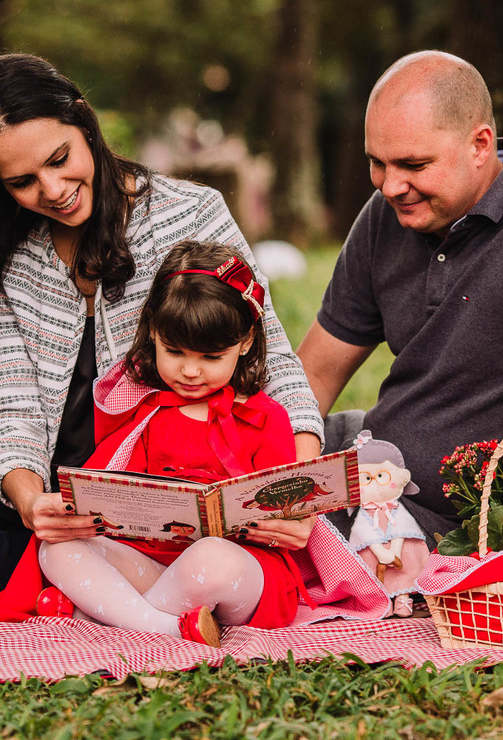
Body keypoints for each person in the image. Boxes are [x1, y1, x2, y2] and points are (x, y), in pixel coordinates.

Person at [0, 54, 322, 621]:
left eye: (60, 159)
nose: (53, 190)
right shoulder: (7, 250)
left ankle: (61, 582)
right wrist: (28, 500)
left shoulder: (190, 214)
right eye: (22, 181)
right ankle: (47, 567)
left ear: (84, 123)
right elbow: (9, 401)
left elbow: (274, 360)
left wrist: (300, 490)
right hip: (2, 482)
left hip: (116, 519)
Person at [297, 50, 503, 542]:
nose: (391, 186)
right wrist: (274, 480)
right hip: (372, 469)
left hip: (459, 527)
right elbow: (316, 372)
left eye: (413, 164)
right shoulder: (386, 213)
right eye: (377, 163)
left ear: (480, 145)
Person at [33, 242, 306, 645]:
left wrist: (277, 523)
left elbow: (288, 513)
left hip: (239, 572)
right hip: (155, 563)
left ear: (246, 341)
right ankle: (164, 627)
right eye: (174, 351)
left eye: (211, 357)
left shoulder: (266, 418)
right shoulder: (146, 413)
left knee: (211, 557)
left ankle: (109, 615)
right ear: (154, 333)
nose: (191, 371)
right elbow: (113, 501)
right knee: (56, 548)